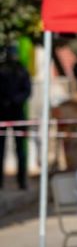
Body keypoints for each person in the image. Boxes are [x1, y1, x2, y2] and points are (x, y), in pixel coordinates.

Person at [0, 44, 32, 190]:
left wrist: (15, 100)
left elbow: (27, 91)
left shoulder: (21, 70)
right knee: (1, 150)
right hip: (2, 113)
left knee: (21, 150)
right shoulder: (2, 70)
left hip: (18, 113)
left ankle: (22, 181)